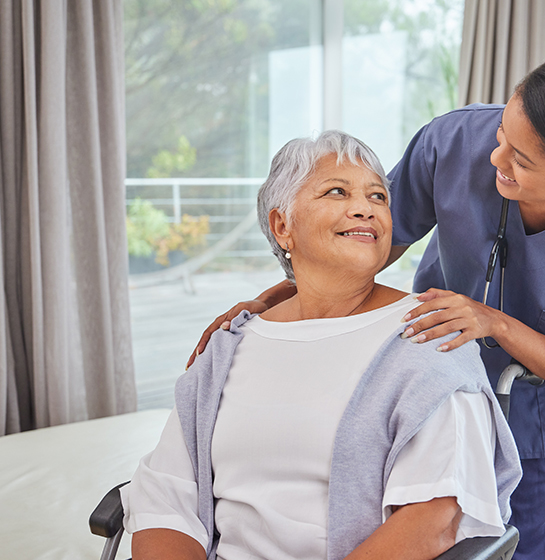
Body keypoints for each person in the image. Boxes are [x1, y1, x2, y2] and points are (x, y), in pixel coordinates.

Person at [188, 47, 545, 560]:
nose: (495, 159)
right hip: (424, 392)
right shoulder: (452, 142)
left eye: (521, 160)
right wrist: (273, 301)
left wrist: (493, 323)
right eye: (502, 135)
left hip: (539, 429)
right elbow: (358, 247)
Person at [122, 131, 522, 560]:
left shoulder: (429, 337)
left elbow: (434, 517)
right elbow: (167, 500)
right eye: (337, 191)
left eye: (378, 197)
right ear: (282, 227)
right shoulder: (228, 349)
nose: (364, 209)